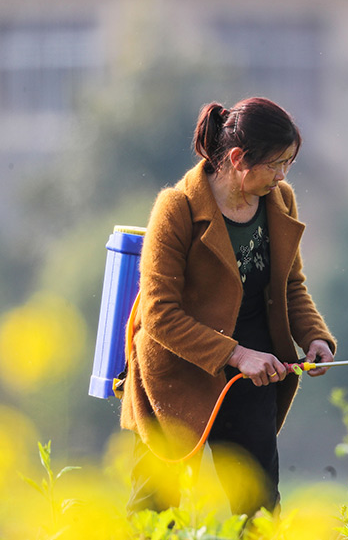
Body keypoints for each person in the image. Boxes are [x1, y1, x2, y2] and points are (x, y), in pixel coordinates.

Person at [120, 96, 336, 516]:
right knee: (154, 508)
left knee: (257, 506)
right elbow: (159, 313)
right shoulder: (177, 209)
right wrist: (236, 354)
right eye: (275, 164)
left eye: (288, 163)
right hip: (176, 374)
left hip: (253, 377)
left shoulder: (280, 202)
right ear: (238, 158)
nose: (282, 175)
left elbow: (290, 284)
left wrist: (314, 337)